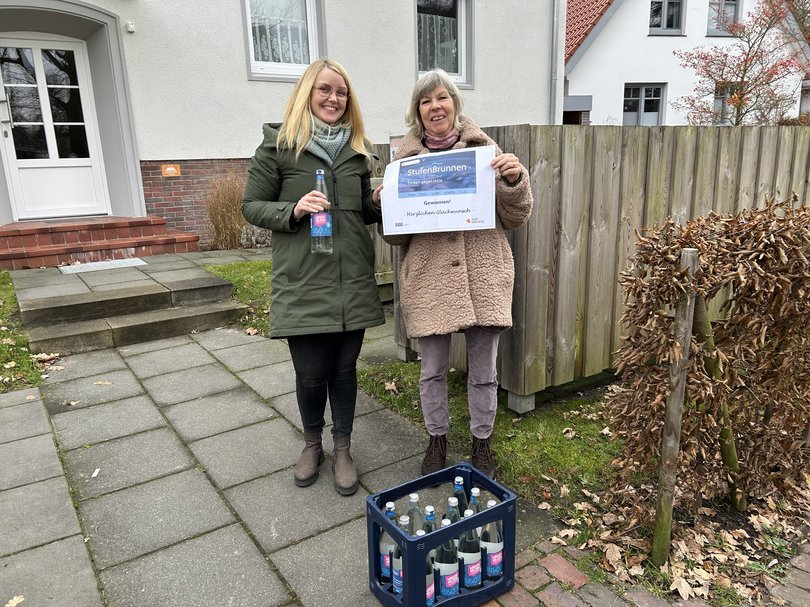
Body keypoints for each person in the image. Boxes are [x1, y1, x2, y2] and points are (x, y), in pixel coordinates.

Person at [378, 69, 533, 478]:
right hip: (429, 279)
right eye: (426, 101)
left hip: (482, 276)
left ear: (455, 104)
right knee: (431, 372)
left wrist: (515, 180)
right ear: (418, 112)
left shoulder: (487, 153)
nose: (436, 107)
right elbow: (396, 239)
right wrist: (387, 206)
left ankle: (482, 445)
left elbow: (515, 216)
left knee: (485, 373)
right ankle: (437, 441)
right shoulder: (404, 166)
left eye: (442, 98)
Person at [242, 59, 384, 496]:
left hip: (351, 280)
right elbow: (251, 205)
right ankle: (311, 444)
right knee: (310, 374)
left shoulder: (358, 151)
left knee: (343, 371)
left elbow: (365, 211)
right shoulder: (279, 145)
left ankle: (342, 448)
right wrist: (294, 210)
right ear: (308, 93)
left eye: (341, 92)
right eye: (325, 89)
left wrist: (383, 199)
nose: (333, 98)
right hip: (303, 280)